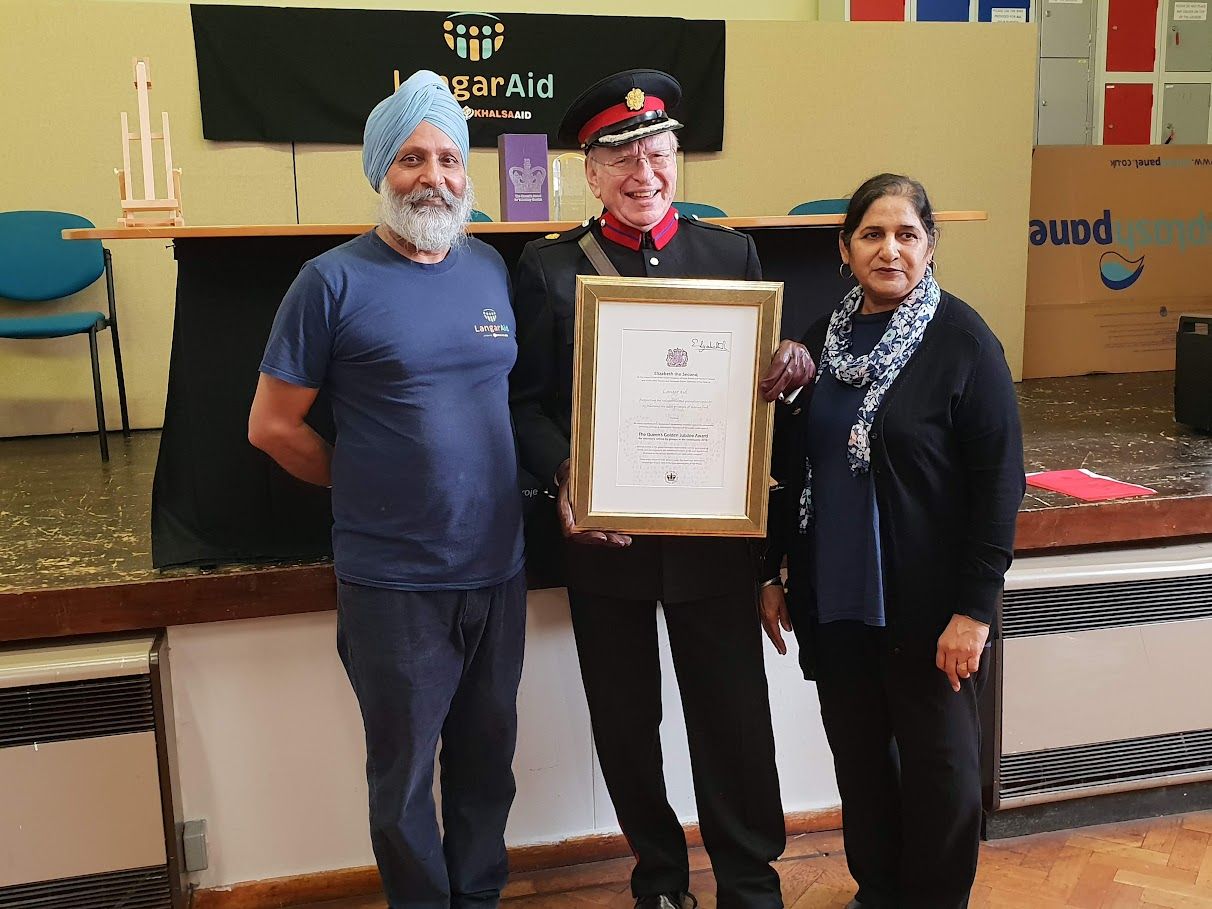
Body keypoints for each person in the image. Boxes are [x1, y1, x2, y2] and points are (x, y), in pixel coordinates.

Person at [510, 69, 813, 909]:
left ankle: (750, 882)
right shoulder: (546, 268)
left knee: (734, 720)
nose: (643, 170)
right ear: (590, 171)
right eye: (620, 156)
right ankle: (659, 880)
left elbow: (754, 389)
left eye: (657, 150)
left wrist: (786, 371)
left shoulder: (732, 254)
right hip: (608, 540)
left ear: (676, 157)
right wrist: (561, 468)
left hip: (714, 536)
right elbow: (522, 401)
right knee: (626, 723)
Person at [248, 70, 526, 909]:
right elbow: (271, 425)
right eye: (411, 158)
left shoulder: (489, 270)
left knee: (486, 766)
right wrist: (360, 475)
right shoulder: (329, 282)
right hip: (395, 582)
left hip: (498, 567)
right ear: (380, 170)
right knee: (404, 780)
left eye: (448, 157)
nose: (433, 176)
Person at [758, 173, 1026, 909]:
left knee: (941, 773)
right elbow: (791, 463)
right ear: (845, 249)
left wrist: (975, 610)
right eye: (873, 234)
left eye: (907, 234)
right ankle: (877, 890)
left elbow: (1001, 482)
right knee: (862, 763)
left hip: (930, 608)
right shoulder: (819, 341)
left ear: (931, 246)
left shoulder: (965, 342)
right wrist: (771, 571)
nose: (890, 249)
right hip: (837, 600)